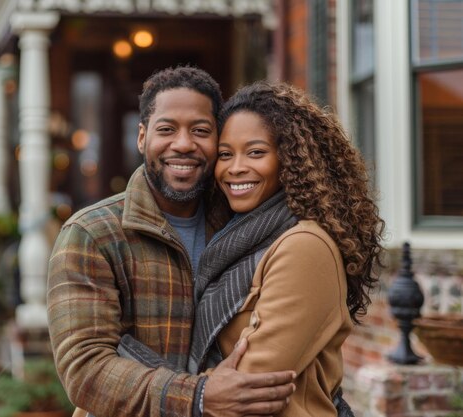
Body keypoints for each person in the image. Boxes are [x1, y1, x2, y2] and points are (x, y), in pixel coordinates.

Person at [46, 67, 296, 417]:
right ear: (142, 137)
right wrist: (197, 396)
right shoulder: (92, 234)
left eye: (200, 131)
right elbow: (86, 371)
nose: (183, 144)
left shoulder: (243, 222)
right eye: (166, 129)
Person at [187, 81, 384, 416]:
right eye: (225, 154)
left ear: (290, 160)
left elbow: (251, 384)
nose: (235, 168)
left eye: (256, 152)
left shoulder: (305, 247)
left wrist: (166, 391)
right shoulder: (233, 242)